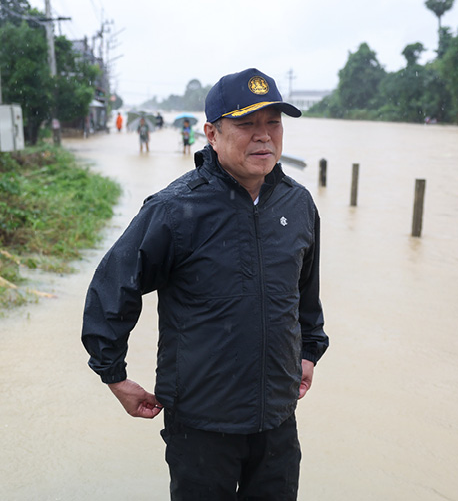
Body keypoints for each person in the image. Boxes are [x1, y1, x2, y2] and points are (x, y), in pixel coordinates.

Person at [82, 67, 329, 500]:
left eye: (273, 122)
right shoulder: (176, 210)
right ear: (212, 134)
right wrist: (113, 375)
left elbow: (305, 294)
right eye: (247, 123)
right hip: (200, 426)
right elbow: (113, 285)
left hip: (277, 419)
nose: (264, 135)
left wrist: (309, 351)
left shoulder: (298, 204)